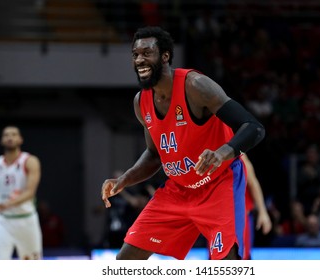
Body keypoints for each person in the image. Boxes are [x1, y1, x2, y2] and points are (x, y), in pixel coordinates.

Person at [101, 26, 265, 260]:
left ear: (165, 56)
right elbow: (154, 155)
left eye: (146, 53)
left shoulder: (196, 86)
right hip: (178, 190)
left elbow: (254, 127)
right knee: (125, 263)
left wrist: (222, 152)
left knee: (228, 265)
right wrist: (125, 179)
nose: (139, 60)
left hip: (218, 184)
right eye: (135, 54)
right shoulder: (141, 102)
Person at [0, 126, 43, 260]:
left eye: (13, 134)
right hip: (3, 221)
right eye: (6, 135)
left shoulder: (30, 161)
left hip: (26, 219)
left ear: (20, 139)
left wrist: (7, 204)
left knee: (32, 264)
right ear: (1, 140)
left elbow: (30, 192)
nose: (10, 137)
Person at [241, 153, 272, 259]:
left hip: (240, 217)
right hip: (217, 218)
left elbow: (253, 183)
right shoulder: (207, 155)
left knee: (242, 259)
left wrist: (263, 212)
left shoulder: (239, 156)